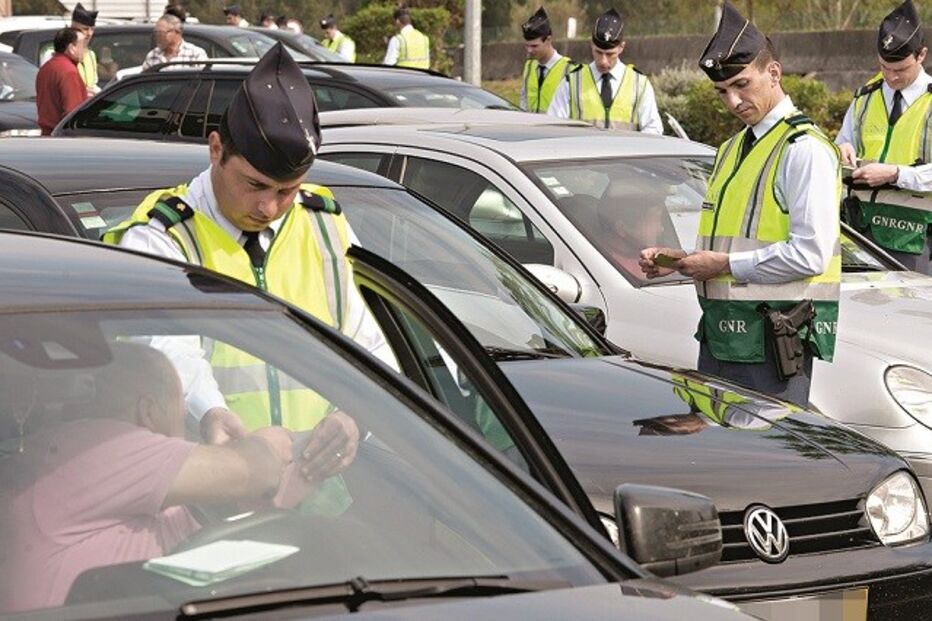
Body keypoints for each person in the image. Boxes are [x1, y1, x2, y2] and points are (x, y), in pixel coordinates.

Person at [103, 44, 391, 451]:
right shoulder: (163, 236)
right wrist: (211, 414)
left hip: (321, 486)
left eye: (287, 190)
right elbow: (166, 353)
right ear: (216, 148)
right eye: (254, 184)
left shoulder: (325, 226)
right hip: (208, 482)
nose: (269, 207)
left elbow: (374, 342)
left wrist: (356, 418)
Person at [638, 2, 841, 408]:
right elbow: (736, 241)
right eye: (721, 91)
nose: (732, 101)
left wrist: (724, 266)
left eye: (741, 85)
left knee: (766, 466)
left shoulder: (804, 151)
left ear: (774, 73)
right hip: (721, 337)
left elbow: (811, 254)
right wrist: (681, 259)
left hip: (771, 344)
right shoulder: (732, 148)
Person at [0, 343, 304, 612]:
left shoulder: (114, 477)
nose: (185, 435)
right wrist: (273, 441)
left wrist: (312, 462)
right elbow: (259, 470)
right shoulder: (104, 450)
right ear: (148, 412)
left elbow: (247, 512)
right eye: (180, 414)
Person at [836, 0, 932, 274]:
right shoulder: (865, 96)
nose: (890, 77)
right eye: (883, 67)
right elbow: (843, 141)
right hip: (859, 232)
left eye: (900, 69)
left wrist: (895, 174)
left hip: (915, 236)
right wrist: (842, 148)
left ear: (921, 55)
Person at [547, 8, 662, 133]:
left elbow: (653, 129)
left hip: (627, 152)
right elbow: (554, 128)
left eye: (609, 54)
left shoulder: (639, 84)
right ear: (591, 44)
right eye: (598, 52)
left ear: (621, 47)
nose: (603, 61)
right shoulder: (571, 82)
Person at [35, 28, 89, 136]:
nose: (85, 49)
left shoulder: (46, 68)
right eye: (83, 44)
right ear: (71, 48)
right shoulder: (69, 72)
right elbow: (72, 112)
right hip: (64, 138)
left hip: (47, 135)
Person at [519, 7, 572, 113]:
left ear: (548, 40)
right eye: (527, 46)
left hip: (555, 128)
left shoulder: (569, 68)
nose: (529, 50)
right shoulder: (529, 66)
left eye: (534, 46)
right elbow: (523, 100)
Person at [39, 3, 99, 96]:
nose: (89, 33)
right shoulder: (53, 53)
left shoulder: (91, 55)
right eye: (85, 29)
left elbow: (93, 84)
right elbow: (50, 85)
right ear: (73, 29)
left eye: (92, 29)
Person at [141, 14, 207, 70]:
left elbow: (204, 81)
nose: (158, 36)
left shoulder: (195, 54)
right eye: (156, 33)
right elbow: (144, 82)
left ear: (177, 32)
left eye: (161, 33)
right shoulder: (153, 55)